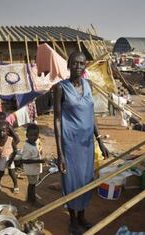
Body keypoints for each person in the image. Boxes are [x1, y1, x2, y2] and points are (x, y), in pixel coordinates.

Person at [53, 52, 109, 234]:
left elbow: (91, 115)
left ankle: (82, 216)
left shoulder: (89, 85)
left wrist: (100, 140)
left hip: (87, 144)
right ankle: (72, 219)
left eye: (82, 64)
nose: (78, 66)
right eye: (75, 63)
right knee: (71, 180)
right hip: (70, 144)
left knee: (86, 180)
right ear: (69, 65)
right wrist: (60, 153)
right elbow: (57, 120)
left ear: (85, 66)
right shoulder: (61, 88)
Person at [16, 124, 44, 206]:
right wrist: (38, 160)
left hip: (34, 169)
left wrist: (40, 152)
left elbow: (39, 149)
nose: (33, 137)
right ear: (27, 135)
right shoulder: (27, 147)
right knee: (32, 185)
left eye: (35, 135)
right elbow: (25, 160)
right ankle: (32, 201)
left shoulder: (36, 142)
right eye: (31, 135)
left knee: (32, 184)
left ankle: (30, 198)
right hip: (30, 169)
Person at [0, 122, 19, 193]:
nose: (1, 133)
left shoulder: (10, 140)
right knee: (0, 173)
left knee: (12, 173)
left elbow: (15, 150)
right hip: (1, 159)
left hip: (10, 158)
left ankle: (15, 185)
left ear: (7, 131)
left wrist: (11, 160)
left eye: (3, 130)